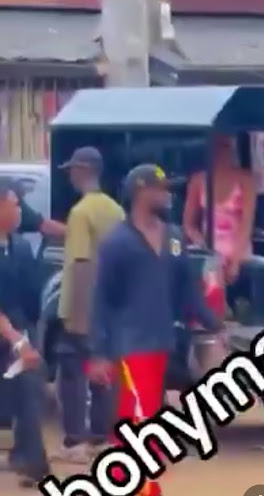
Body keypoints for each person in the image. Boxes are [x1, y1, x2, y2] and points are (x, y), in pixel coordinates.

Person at [89, 164, 224, 496]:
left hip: (162, 344)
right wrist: (98, 353)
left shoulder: (175, 238)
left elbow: (187, 291)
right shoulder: (116, 243)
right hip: (129, 346)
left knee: (144, 421)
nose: (167, 194)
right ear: (140, 191)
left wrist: (214, 324)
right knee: (137, 426)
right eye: (161, 188)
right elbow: (101, 301)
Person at [54, 146, 125, 463]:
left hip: (83, 308)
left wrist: (77, 317)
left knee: (71, 371)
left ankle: (74, 443)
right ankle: (101, 438)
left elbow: (80, 266)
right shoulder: (116, 210)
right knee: (103, 376)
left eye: (72, 170)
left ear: (82, 171)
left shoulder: (81, 213)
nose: (69, 175)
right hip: (112, 307)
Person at [0, 178, 50, 486]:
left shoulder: (19, 246)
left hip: (16, 332)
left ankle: (33, 462)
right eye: (16, 203)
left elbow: (32, 297)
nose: (21, 210)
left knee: (30, 387)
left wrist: (28, 338)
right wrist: (16, 339)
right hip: (9, 334)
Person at [183, 135, 256, 283]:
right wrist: (203, 246)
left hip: (237, 248)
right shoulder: (198, 180)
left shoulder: (246, 180)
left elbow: (247, 223)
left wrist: (235, 261)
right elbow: (188, 225)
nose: (222, 152)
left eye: (226, 147)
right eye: (218, 147)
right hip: (206, 247)